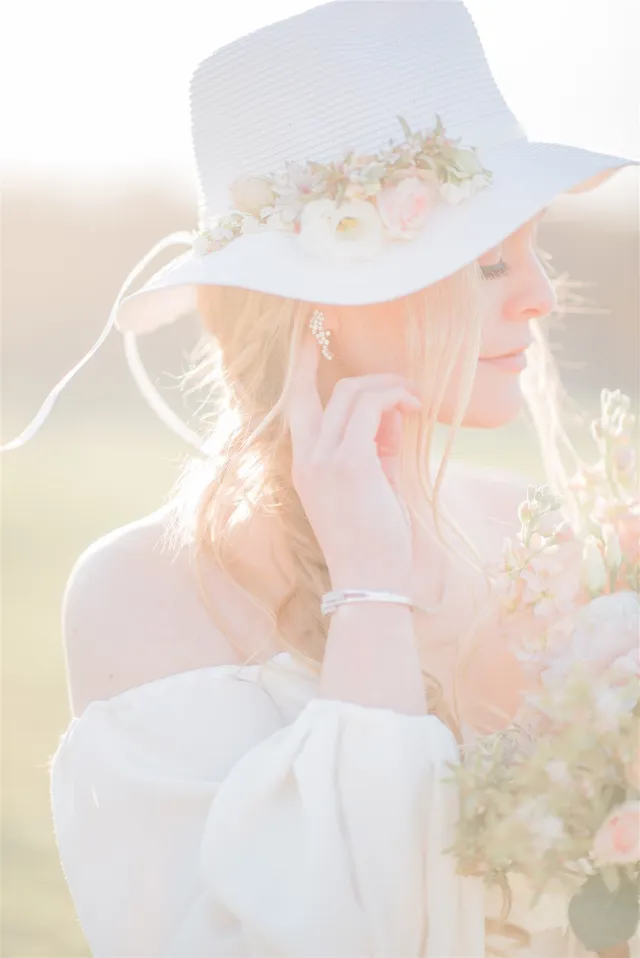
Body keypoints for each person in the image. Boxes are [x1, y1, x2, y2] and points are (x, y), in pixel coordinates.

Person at [4, 1, 635, 955]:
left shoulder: (538, 534)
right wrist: (371, 598)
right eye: (492, 261)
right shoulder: (140, 596)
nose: (543, 296)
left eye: (535, 245)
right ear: (327, 308)